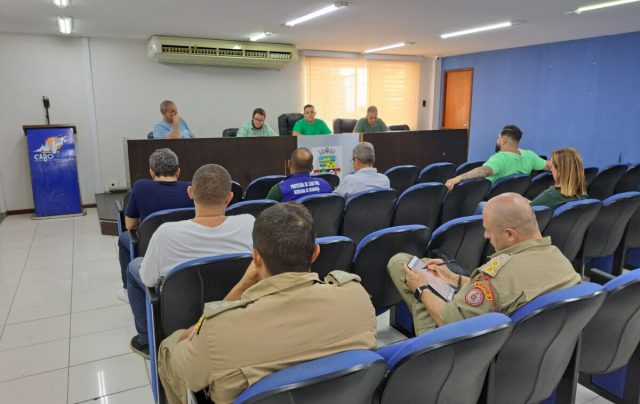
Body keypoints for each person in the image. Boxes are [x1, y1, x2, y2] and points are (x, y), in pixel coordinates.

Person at [157, 203, 377, 404]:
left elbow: (186, 372)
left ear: (256, 258)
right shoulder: (357, 297)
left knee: (170, 346)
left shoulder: (221, 330)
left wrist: (240, 288)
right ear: (315, 253)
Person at [388, 193, 581, 335]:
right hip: (534, 348)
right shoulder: (558, 258)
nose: (486, 236)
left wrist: (421, 288)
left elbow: (449, 321)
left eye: (489, 230)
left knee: (401, 265)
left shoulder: (496, 274)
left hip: (468, 352)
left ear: (510, 234)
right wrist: (455, 279)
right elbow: (503, 293)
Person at [126, 164, 255, 358]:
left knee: (133, 267)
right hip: (236, 313)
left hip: (180, 323)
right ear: (229, 197)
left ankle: (145, 341)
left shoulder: (165, 233)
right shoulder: (249, 223)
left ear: (190, 193)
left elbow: (149, 281)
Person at [117, 148, 193, 303]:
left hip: (150, 249)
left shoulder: (141, 187)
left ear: (151, 173)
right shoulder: (191, 189)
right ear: (178, 171)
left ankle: (126, 289)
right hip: (186, 247)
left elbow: (130, 225)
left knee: (123, 238)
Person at [445, 125, 547, 190]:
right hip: (516, 201)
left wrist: (458, 178)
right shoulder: (529, 155)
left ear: (503, 140)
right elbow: (551, 166)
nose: (497, 140)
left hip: (494, 204)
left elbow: (484, 171)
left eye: (498, 137)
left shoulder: (499, 158)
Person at [266, 148, 333, 202]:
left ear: (289, 164)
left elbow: (266, 214)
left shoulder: (279, 189)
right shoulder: (325, 184)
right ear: (312, 167)